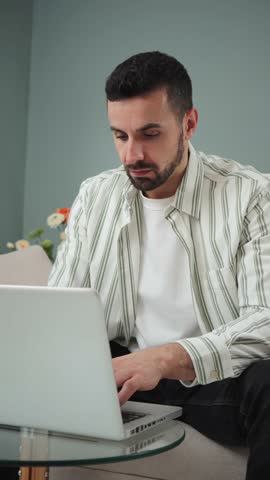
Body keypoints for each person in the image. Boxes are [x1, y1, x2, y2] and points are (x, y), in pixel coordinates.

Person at [48, 51, 270, 478]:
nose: (133, 154)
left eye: (150, 134)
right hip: (123, 374)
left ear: (189, 124)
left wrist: (167, 357)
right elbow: (62, 307)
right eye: (120, 136)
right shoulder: (96, 195)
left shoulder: (251, 195)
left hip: (215, 380)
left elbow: (264, 321)